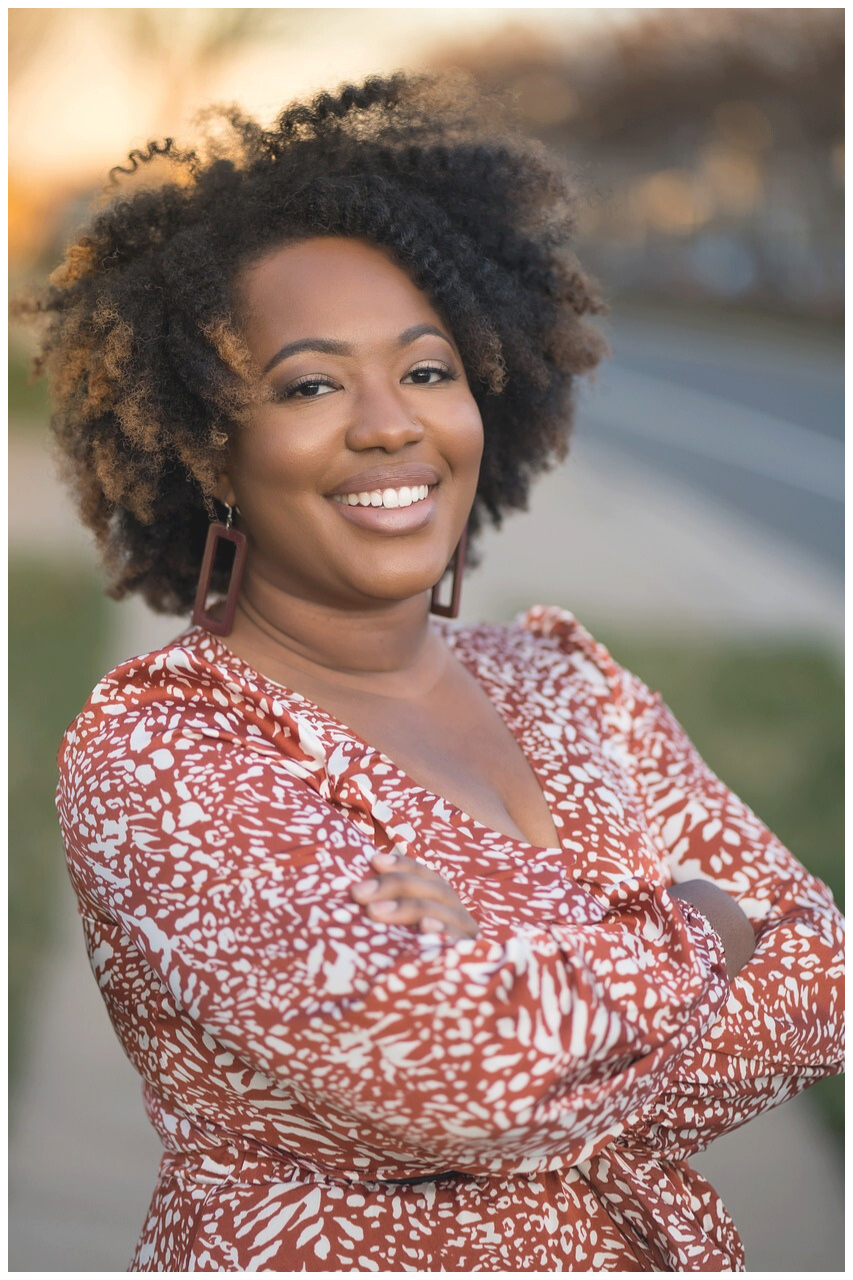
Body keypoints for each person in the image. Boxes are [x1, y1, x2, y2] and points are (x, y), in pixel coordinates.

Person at [24, 73, 842, 1272]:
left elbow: (819, 975)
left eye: (426, 368)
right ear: (207, 448)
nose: (389, 424)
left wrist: (513, 971)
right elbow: (446, 1066)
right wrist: (697, 927)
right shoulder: (166, 749)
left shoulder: (570, 681)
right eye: (309, 384)